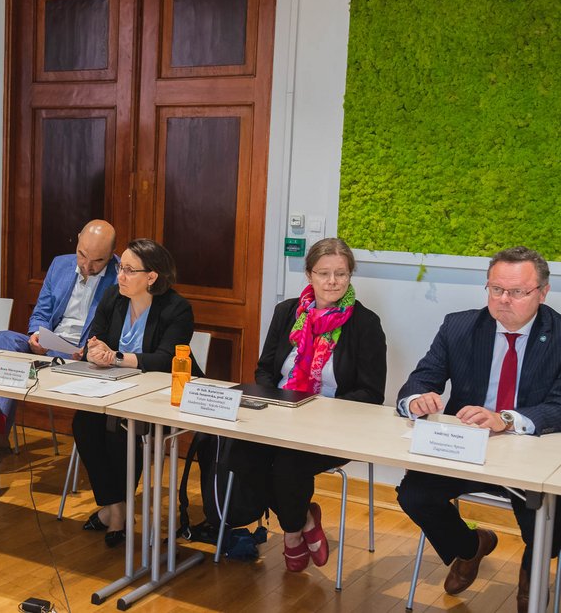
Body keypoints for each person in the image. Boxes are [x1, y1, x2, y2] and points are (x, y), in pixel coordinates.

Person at [396, 246, 561, 611]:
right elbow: (418, 381)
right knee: (414, 494)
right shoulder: (459, 325)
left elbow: (559, 406)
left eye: (517, 292)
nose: (504, 300)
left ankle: (531, 574)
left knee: (549, 519)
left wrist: (506, 419)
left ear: (543, 292)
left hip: (530, 453)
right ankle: (471, 547)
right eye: (495, 289)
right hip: (465, 448)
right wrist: (416, 400)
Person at [226, 237, 386, 572]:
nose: (332, 282)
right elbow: (265, 370)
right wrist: (274, 404)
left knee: (287, 463)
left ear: (350, 276)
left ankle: (292, 535)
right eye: (323, 273)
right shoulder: (286, 313)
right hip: (279, 415)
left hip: (333, 427)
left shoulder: (365, 324)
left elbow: (372, 394)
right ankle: (301, 522)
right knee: (240, 451)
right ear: (309, 274)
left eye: (340, 274)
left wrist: (318, 411)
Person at [0, 219, 119, 500]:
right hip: (49, 348)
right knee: (3, 339)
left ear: (112, 254)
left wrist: (92, 349)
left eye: (97, 261)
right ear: (78, 238)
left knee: (12, 365)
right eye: (83, 254)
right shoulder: (60, 264)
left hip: (85, 358)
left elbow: (118, 329)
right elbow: (42, 311)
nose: (87, 265)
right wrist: (35, 334)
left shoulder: (121, 276)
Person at [70, 238, 197, 548]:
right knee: (83, 423)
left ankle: (116, 512)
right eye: (119, 267)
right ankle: (115, 505)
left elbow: (167, 358)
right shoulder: (114, 297)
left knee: (121, 429)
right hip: (112, 389)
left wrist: (115, 357)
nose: (120, 276)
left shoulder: (176, 308)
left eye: (128, 270)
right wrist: (95, 351)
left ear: (151, 277)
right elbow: (95, 338)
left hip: (162, 398)